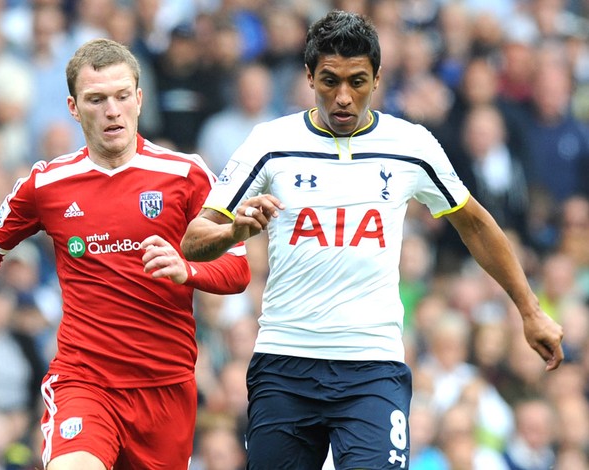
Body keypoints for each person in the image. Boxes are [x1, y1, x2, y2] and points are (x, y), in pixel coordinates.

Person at [180, 10, 564, 470]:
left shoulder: (410, 145)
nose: (343, 97)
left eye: (358, 81)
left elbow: (475, 224)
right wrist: (234, 231)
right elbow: (194, 240)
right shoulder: (270, 143)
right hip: (284, 363)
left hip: (371, 368)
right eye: (329, 81)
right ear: (308, 76)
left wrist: (530, 310)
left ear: (378, 78)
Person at [0, 37, 251, 470]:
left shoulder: (186, 174)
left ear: (139, 98)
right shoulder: (47, 183)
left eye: (122, 96)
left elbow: (238, 270)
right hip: (85, 382)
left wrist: (187, 271)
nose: (112, 110)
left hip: (165, 391)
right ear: (73, 107)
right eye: (97, 99)